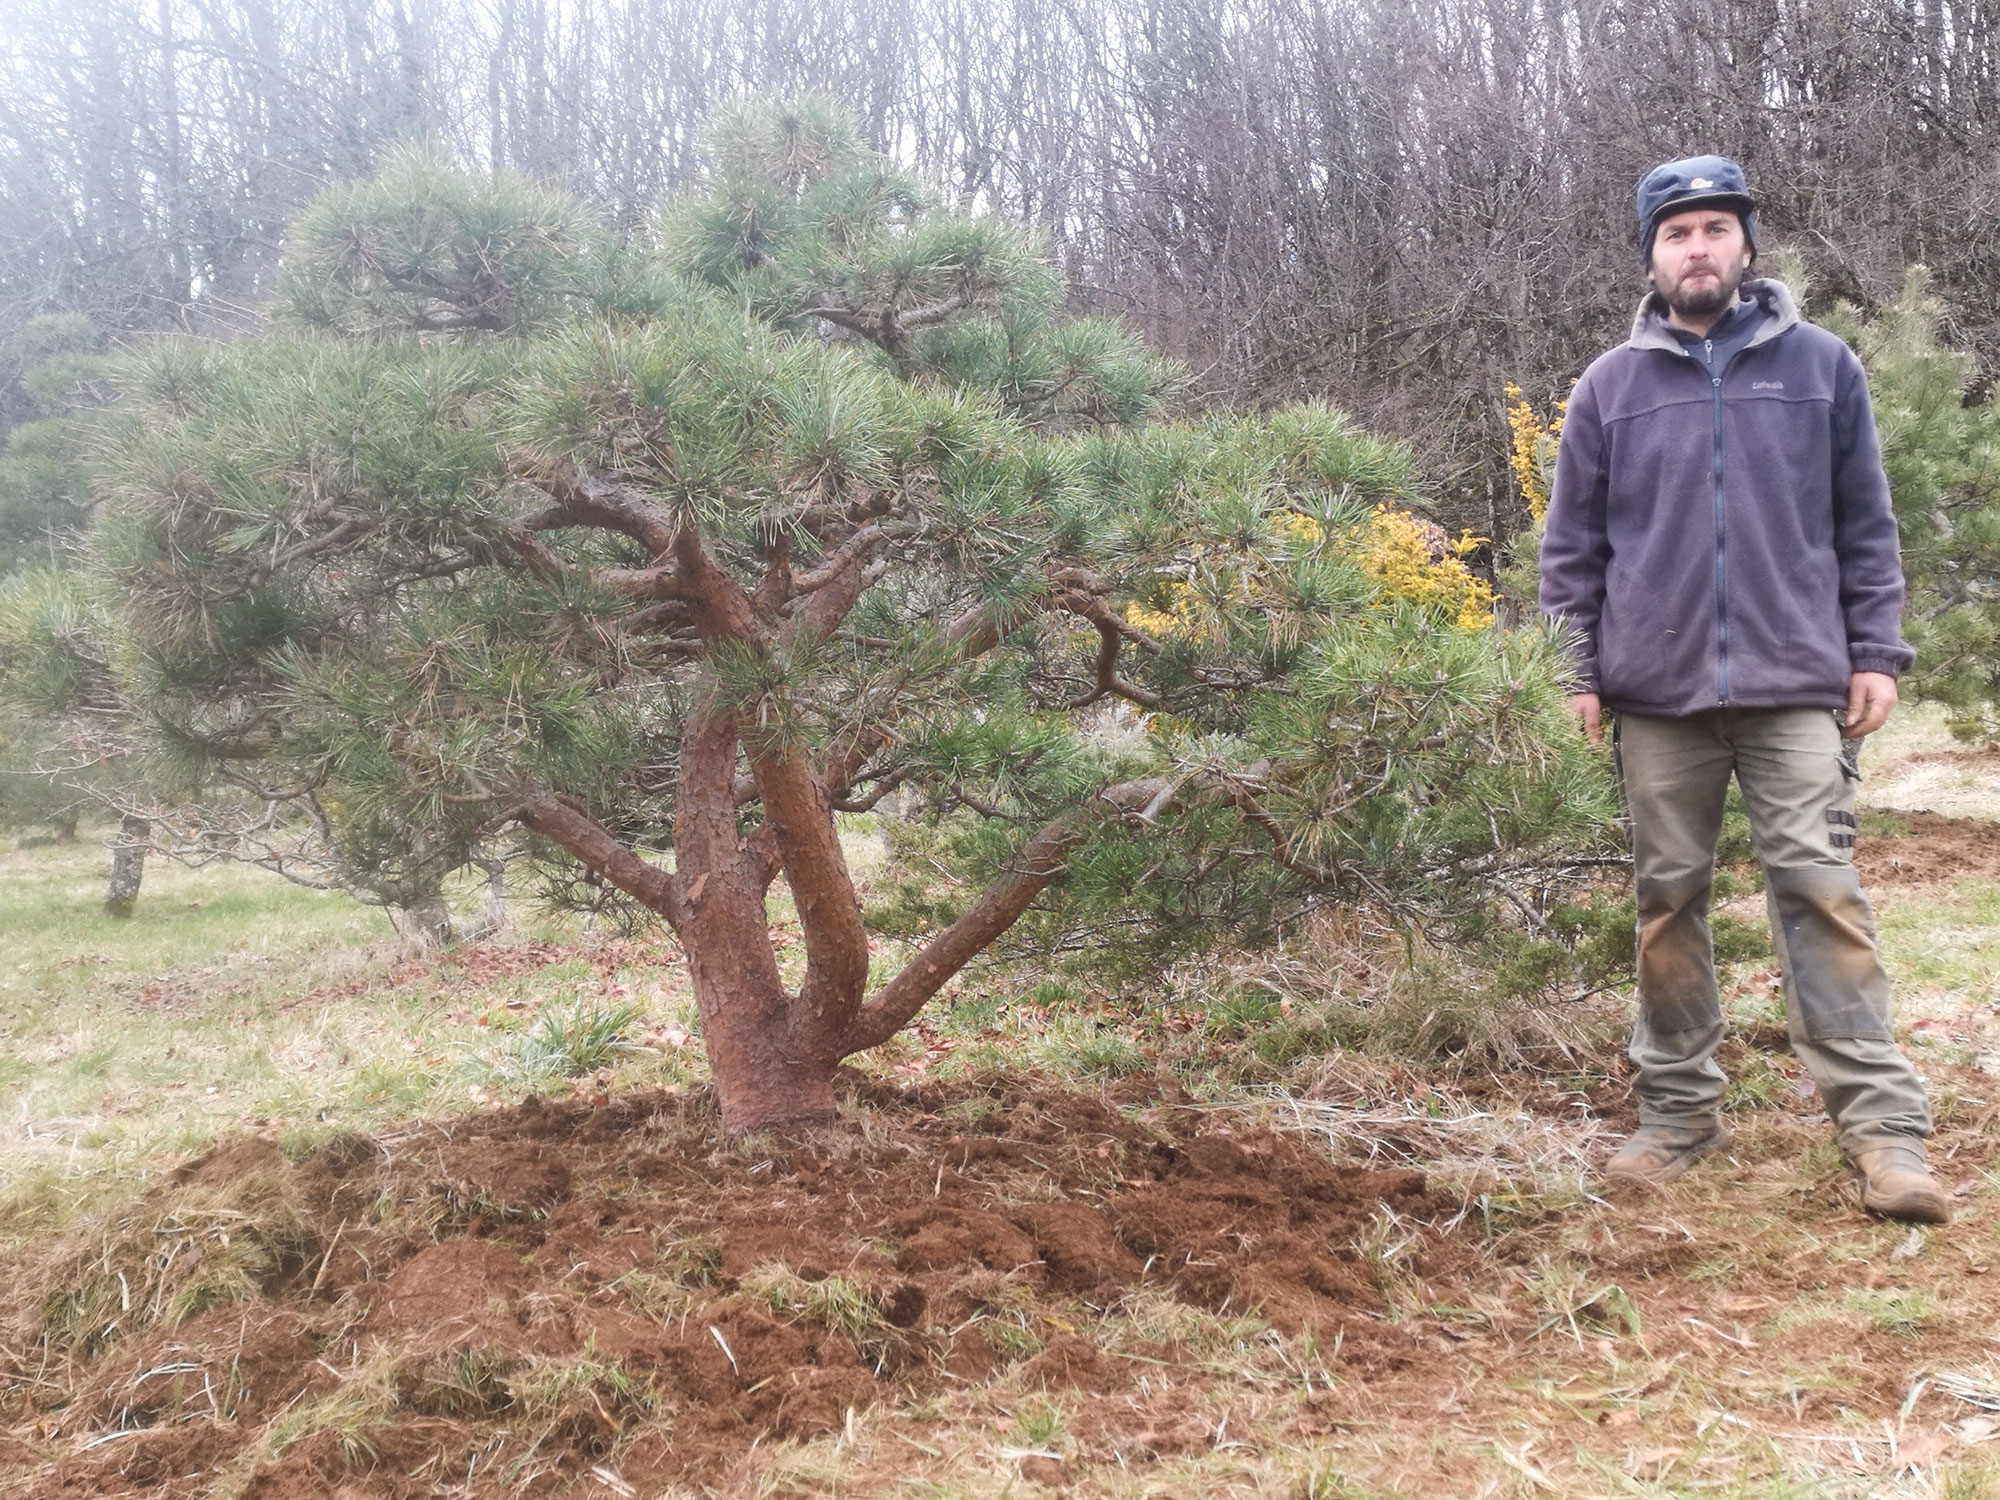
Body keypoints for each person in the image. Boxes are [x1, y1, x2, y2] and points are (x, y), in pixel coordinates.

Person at [1538, 154, 1949, 1223]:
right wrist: (1574, 669)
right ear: (1649, 257)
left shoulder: (1820, 367)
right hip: (1656, 695)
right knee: (1665, 900)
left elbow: (1864, 524)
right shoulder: (1607, 388)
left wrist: (1875, 652)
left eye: (1714, 228)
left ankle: (1881, 1131)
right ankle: (1675, 1114)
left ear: (1745, 248)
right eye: (1675, 234)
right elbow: (1570, 549)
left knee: (1819, 893)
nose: (1696, 248)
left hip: (1792, 685)